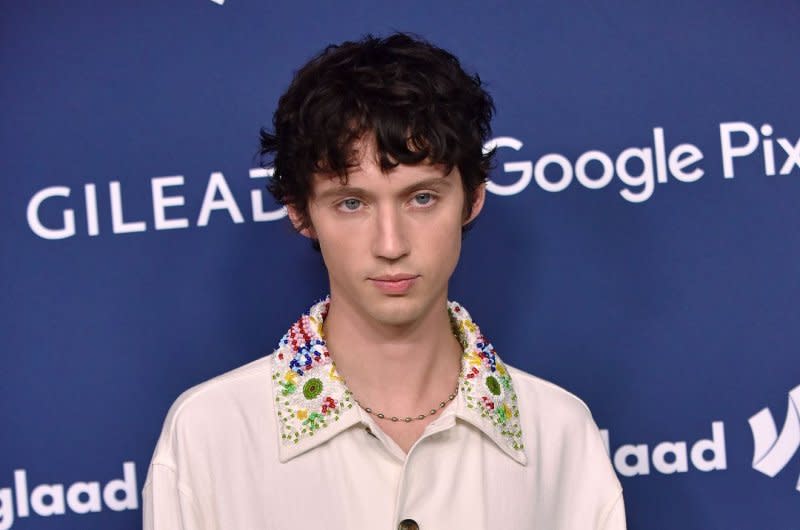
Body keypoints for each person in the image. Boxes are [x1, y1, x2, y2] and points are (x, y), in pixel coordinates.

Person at [142, 33, 625, 530]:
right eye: (352, 203)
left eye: (421, 198)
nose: (390, 244)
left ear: (472, 199)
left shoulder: (559, 433)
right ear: (300, 212)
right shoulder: (210, 435)